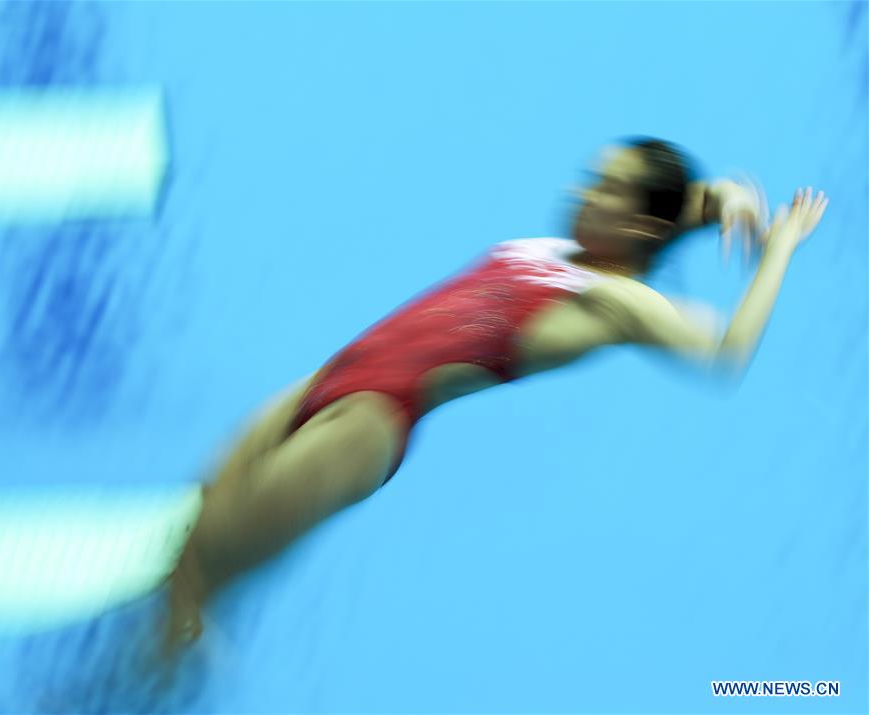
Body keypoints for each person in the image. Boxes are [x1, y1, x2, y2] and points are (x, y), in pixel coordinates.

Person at [160, 137, 828, 656]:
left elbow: (726, 351)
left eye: (607, 188)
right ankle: (169, 662)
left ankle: (142, 685)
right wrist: (724, 199)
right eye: (593, 175)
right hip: (328, 377)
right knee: (193, 528)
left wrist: (780, 248)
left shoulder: (616, 300)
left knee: (199, 570)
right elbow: (675, 202)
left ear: (639, 226)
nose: (583, 191)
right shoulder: (570, 248)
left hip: (365, 421)